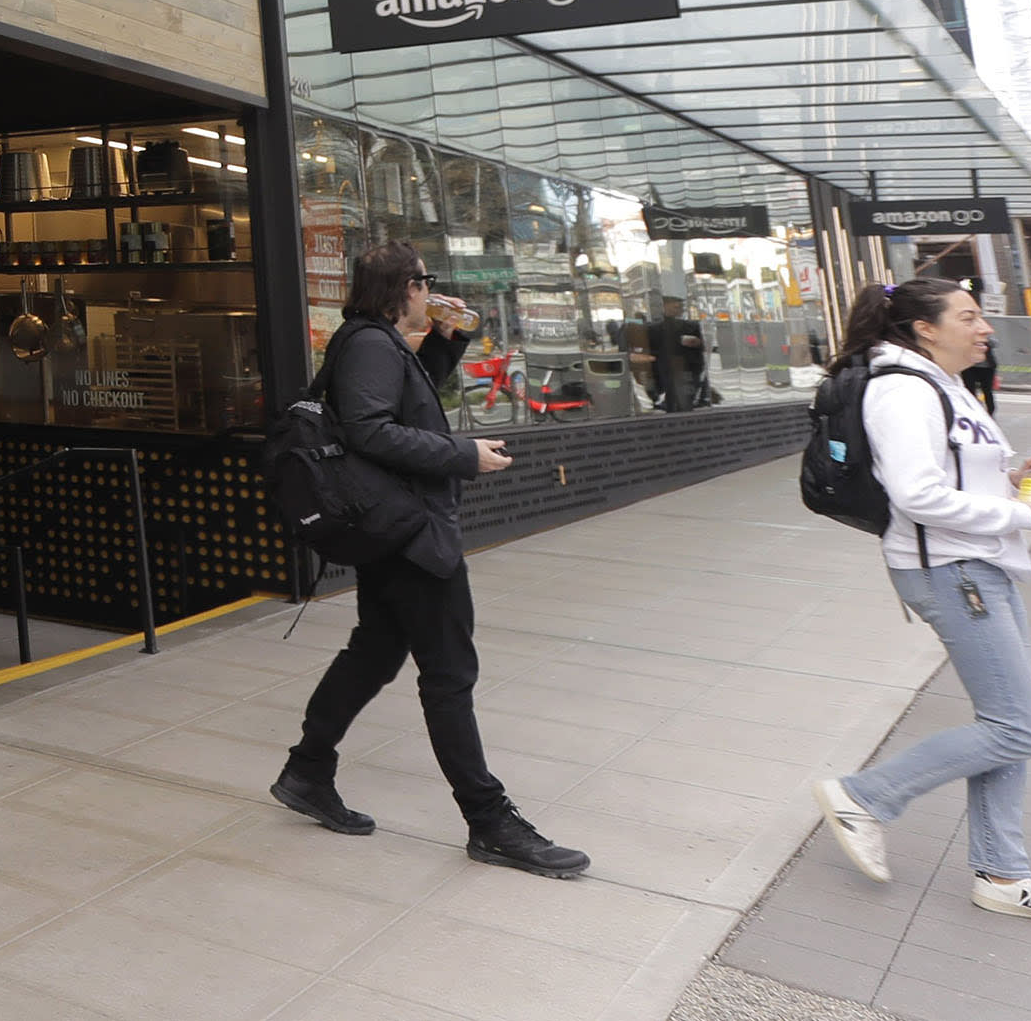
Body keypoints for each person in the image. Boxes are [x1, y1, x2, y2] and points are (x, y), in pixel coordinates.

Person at [269, 242, 591, 879]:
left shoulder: (378, 342)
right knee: (448, 676)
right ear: (404, 286)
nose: (430, 291)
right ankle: (489, 821)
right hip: (411, 536)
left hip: (395, 531)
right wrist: (463, 455)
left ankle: (307, 770)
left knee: (374, 656)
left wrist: (445, 340)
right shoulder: (367, 343)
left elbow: (407, 403)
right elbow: (370, 430)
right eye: (425, 283)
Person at [811, 278, 1031, 933]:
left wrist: (1020, 473)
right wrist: (1017, 511)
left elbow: (958, 470)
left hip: (981, 566)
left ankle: (1004, 875)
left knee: (1006, 726)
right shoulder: (902, 389)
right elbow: (916, 494)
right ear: (924, 327)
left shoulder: (943, 384)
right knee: (1016, 729)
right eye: (969, 316)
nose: (986, 328)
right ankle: (864, 798)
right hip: (951, 571)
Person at [644, 296, 706, 412]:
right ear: (664, 307)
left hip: (687, 369)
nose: (677, 309)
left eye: (679, 307)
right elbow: (651, 352)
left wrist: (697, 343)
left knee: (685, 401)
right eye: (675, 306)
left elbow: (702, 349)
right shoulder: (654, 328)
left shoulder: (691, 326)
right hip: (666, 371)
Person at [961, 340, 998, 414]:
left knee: (987, 390)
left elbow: (995, 343)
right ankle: (973, 409)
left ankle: (990, 410)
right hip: (970, 367)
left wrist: (984, 341)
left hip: (986, 368)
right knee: (970, 389)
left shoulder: (985, 337)